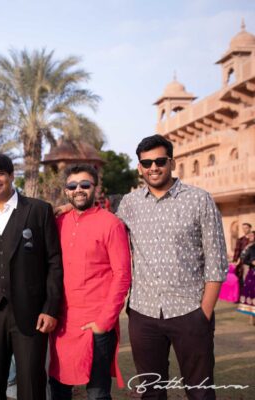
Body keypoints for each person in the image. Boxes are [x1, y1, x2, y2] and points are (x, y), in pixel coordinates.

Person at [117, 135, 227, 399]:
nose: (153, 167)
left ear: (172, 163)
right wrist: (69, 208)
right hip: (143, 312)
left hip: (190, 311)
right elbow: (104, 233)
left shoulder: (199, 199)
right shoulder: (129, 204)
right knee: (151, 392)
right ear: (140, 168)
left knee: (200, 392)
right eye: (147, 163)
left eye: (160, 161)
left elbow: (217, 261)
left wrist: (203, 314)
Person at [0, 152, 63, 400]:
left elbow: (54, 262)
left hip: (31, 313)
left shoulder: (39, 210)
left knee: (31, 382)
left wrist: (50, 308)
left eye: (0, 174)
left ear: (11, 176)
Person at [48, 165, 131, 400]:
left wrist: (104, 322)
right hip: (62, 325)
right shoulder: (58, 222)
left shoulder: (111, 224)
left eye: (85, 185)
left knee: (97, 393)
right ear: (66, 190)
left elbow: (122, 275)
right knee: (58, 390)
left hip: (95, 323)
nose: (79, 190)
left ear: (96, 188)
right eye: (72, 186)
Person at [237, 231, 255, 325]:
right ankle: (251, 317)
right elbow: (244, 259)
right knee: (251, 294)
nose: (250, 237)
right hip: (252, 273)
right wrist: (251, 262)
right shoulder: (250, 248)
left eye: (252, 235)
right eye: (250, 235)